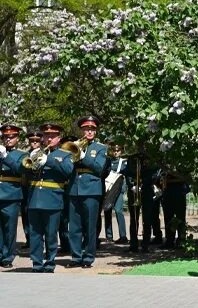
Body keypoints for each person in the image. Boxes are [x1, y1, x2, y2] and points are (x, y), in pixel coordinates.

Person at [26, 123, 74, 273]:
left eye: (52, 136)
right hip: (35, 198)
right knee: (35, 234)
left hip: (53, 200)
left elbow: (68, 171)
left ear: (58, 138)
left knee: (51, 234)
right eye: (46, 136)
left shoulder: (65, 155)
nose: (49, 139)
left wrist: (50, 161)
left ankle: (50, 262)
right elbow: (25, 174)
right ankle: (36, 263)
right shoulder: (34, 153)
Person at [66, 116, 108, 269]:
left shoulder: (100, 148)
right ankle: (76, 257)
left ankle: (88, 257)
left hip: (91, 190)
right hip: (74, 188)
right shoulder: (73, 145)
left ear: (95, 131)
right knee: (74, 227)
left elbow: (99, 169)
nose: (89, 131)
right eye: (86, 129)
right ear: (82, 130)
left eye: (92, 129)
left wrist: (83, 157)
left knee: (90, 226)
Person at [0, 124, 28, 268]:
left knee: (9, 229)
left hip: (11, 195)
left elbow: (20, 170)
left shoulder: (22, 154)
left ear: (17, 138)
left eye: (11, 137)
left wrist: (5, 156)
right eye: (5, 137)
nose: (8, 139)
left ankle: (7, 257)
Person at [20, 130, 43, 248]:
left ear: (40, 142)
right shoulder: (24, 154)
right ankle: (28, 239)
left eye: (37, 141)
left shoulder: (44, 153)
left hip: (36, 187)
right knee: (25, 213)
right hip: (24, 187)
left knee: (36, 215)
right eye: (32, 141)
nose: (34, 143)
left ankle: (38, 240)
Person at [104, 142, 128, 244]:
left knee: (118, 211)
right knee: (107, 211)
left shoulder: (124, 162)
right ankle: (109, 236)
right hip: (108, 189)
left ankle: (123, 236)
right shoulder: (108, 161)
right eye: (114, 150)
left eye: (118, 150)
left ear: (121, 151)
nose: (115, 152)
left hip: (119, 190)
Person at [160, 170, 190, 249]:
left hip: (179, 191)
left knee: (180, 217)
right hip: (168, 192)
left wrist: (172, 177)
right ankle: (169, 241)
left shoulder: (181, 164)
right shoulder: (164, 163)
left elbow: (186, 177)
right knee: (168, 218)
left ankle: (181, 240)